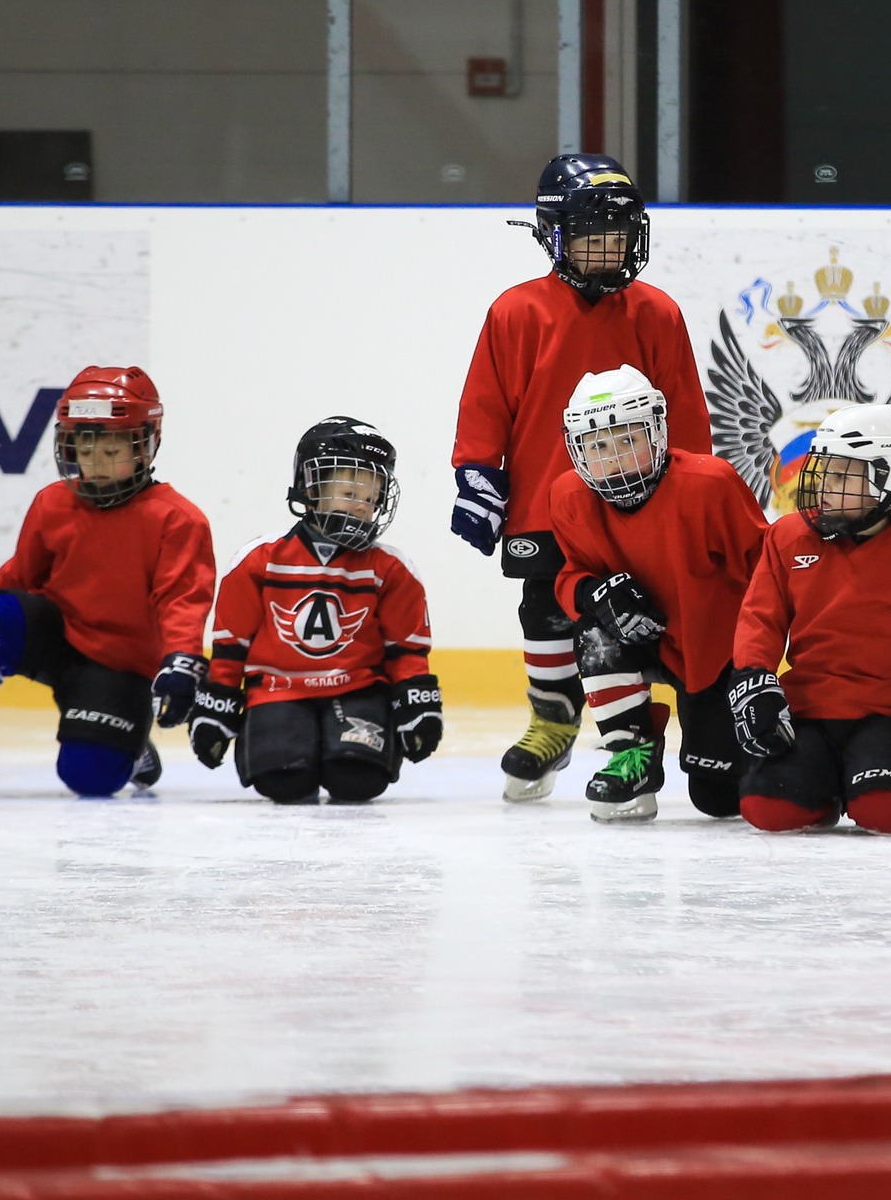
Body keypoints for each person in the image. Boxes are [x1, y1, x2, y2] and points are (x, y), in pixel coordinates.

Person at [451, 153, 713, 804]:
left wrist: (695, 495)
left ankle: (633, 740)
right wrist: (479, 479)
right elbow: (486, 404)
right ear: (552, 232)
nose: (606, 249)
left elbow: (683, 412)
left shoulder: (657, 313)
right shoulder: (516, 312)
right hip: (544, 503)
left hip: (638, 509)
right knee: (543, 613)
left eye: (617, 236)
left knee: (629, 621)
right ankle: (552, 719)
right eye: (591, 235)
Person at [0, 365, 216, 799]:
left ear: (145, 447)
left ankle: (130, 743)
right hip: (58, 639)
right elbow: (21, 577)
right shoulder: (53, 502)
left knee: (89, 779)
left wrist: (181, 660)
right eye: (84, 450)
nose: (94, 465)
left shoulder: (177, 519)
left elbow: (183, 599)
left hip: (119, 665)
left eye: (111, 451)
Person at [730, 404, 891, 836]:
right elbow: (760, 618)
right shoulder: (787, 536)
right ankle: (827, 784)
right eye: (824, 472)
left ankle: (858, 780)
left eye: (842, 476)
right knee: (768, 811)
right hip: (808, 712)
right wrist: (753, 678)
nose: (823, 486)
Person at [548, 366, 769, 824]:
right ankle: (632, 754)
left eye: (628, 440)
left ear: (658, 432)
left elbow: (767, 575)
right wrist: (591, 592)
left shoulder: (710, 484)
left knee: (719, 799)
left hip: (714, 651)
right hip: (639, 639)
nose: (615, 459)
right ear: (578, 450)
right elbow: (571, 575)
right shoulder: (569, 495)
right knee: (594, 633)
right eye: (599, 446)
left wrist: (758, 671)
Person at [190, 417, 442, 804]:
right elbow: (231, 646)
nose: (362, 507)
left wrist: (416, 705)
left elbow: (406, 651)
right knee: (283, 783)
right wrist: (218, 705)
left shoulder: (391, 568)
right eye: (349, 492)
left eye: (371, 498)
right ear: (312, 487)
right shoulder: (259, 560)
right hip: (278, 690)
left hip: (359, 689)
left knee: (357, 781)